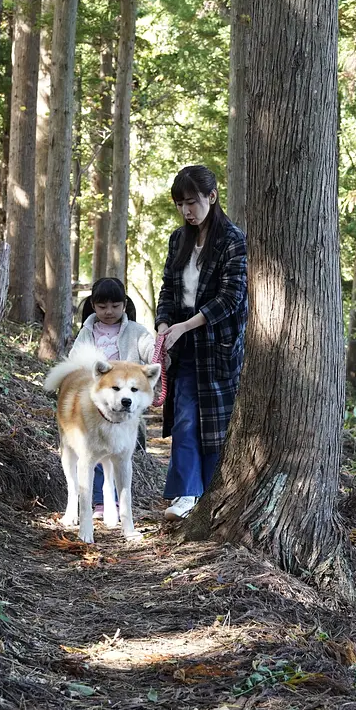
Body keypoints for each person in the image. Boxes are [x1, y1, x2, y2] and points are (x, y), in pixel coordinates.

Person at [155, 165, 248, 520]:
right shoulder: (178, 240)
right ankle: (186, 493)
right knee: (183, 418)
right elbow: (168, 288)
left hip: (218, 345)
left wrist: (185, 326)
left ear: (212, 196)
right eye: (180, 204)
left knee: (215, 422)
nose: (186, 211)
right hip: (181, 344)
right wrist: (165, 325)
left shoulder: (232, 239)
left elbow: (231, 298)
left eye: (192, 202)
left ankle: (210, 494)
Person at [71, 277, 157, 517]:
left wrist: (160, 350)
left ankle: (117, 501)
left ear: (124, 304)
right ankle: (99, 501)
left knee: (121, 454)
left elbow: (151, 352)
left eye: (115, 306)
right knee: (95, 451)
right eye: (102, 307)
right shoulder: (87, 332)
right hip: (97, 406)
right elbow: (75, 360)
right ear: (93, 306)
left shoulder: (136, 332)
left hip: (126, 407)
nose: (109, 312)